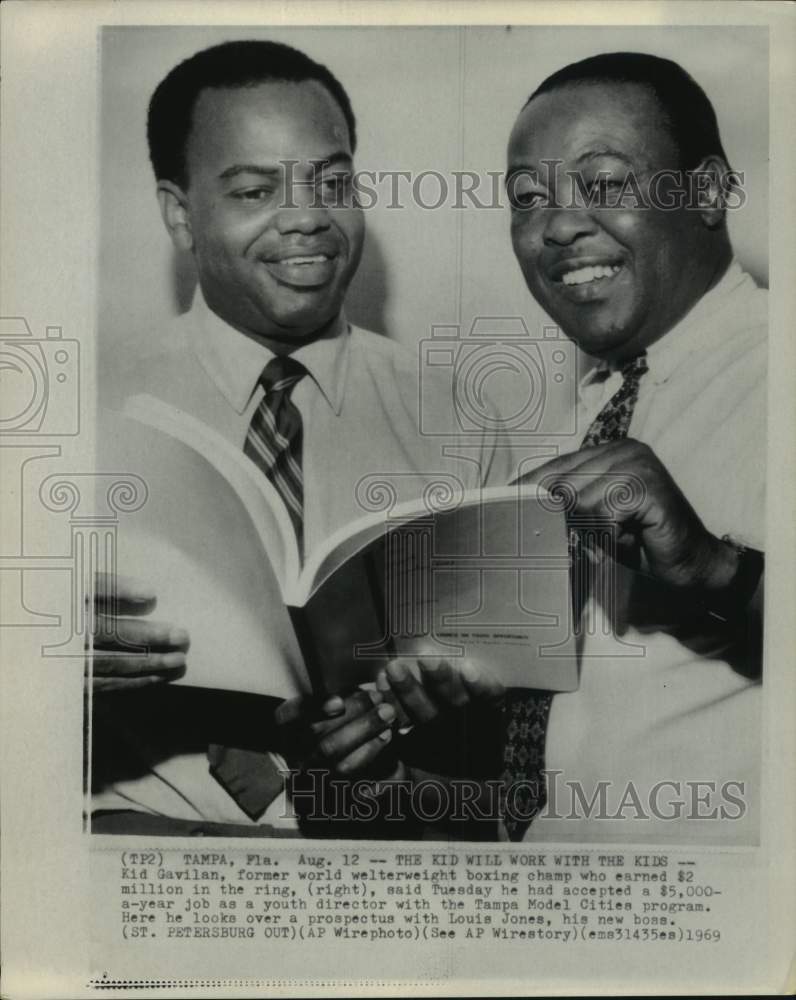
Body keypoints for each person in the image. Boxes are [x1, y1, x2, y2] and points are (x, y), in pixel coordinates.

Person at [90, 40, 513, 838]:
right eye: (255, 189)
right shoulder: (76, 415)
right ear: (181, 214)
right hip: (144, 856)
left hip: (391, 861)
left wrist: (434, 715)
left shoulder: (463, 423)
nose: (307, 217)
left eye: (334, 182)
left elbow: (508, 732)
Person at [505, 52, 765, 843]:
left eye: (607, 183)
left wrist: (713, 569)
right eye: (527, 199)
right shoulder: (572, 409)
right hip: (549, 911)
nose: (557, 224)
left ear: (710, 191)